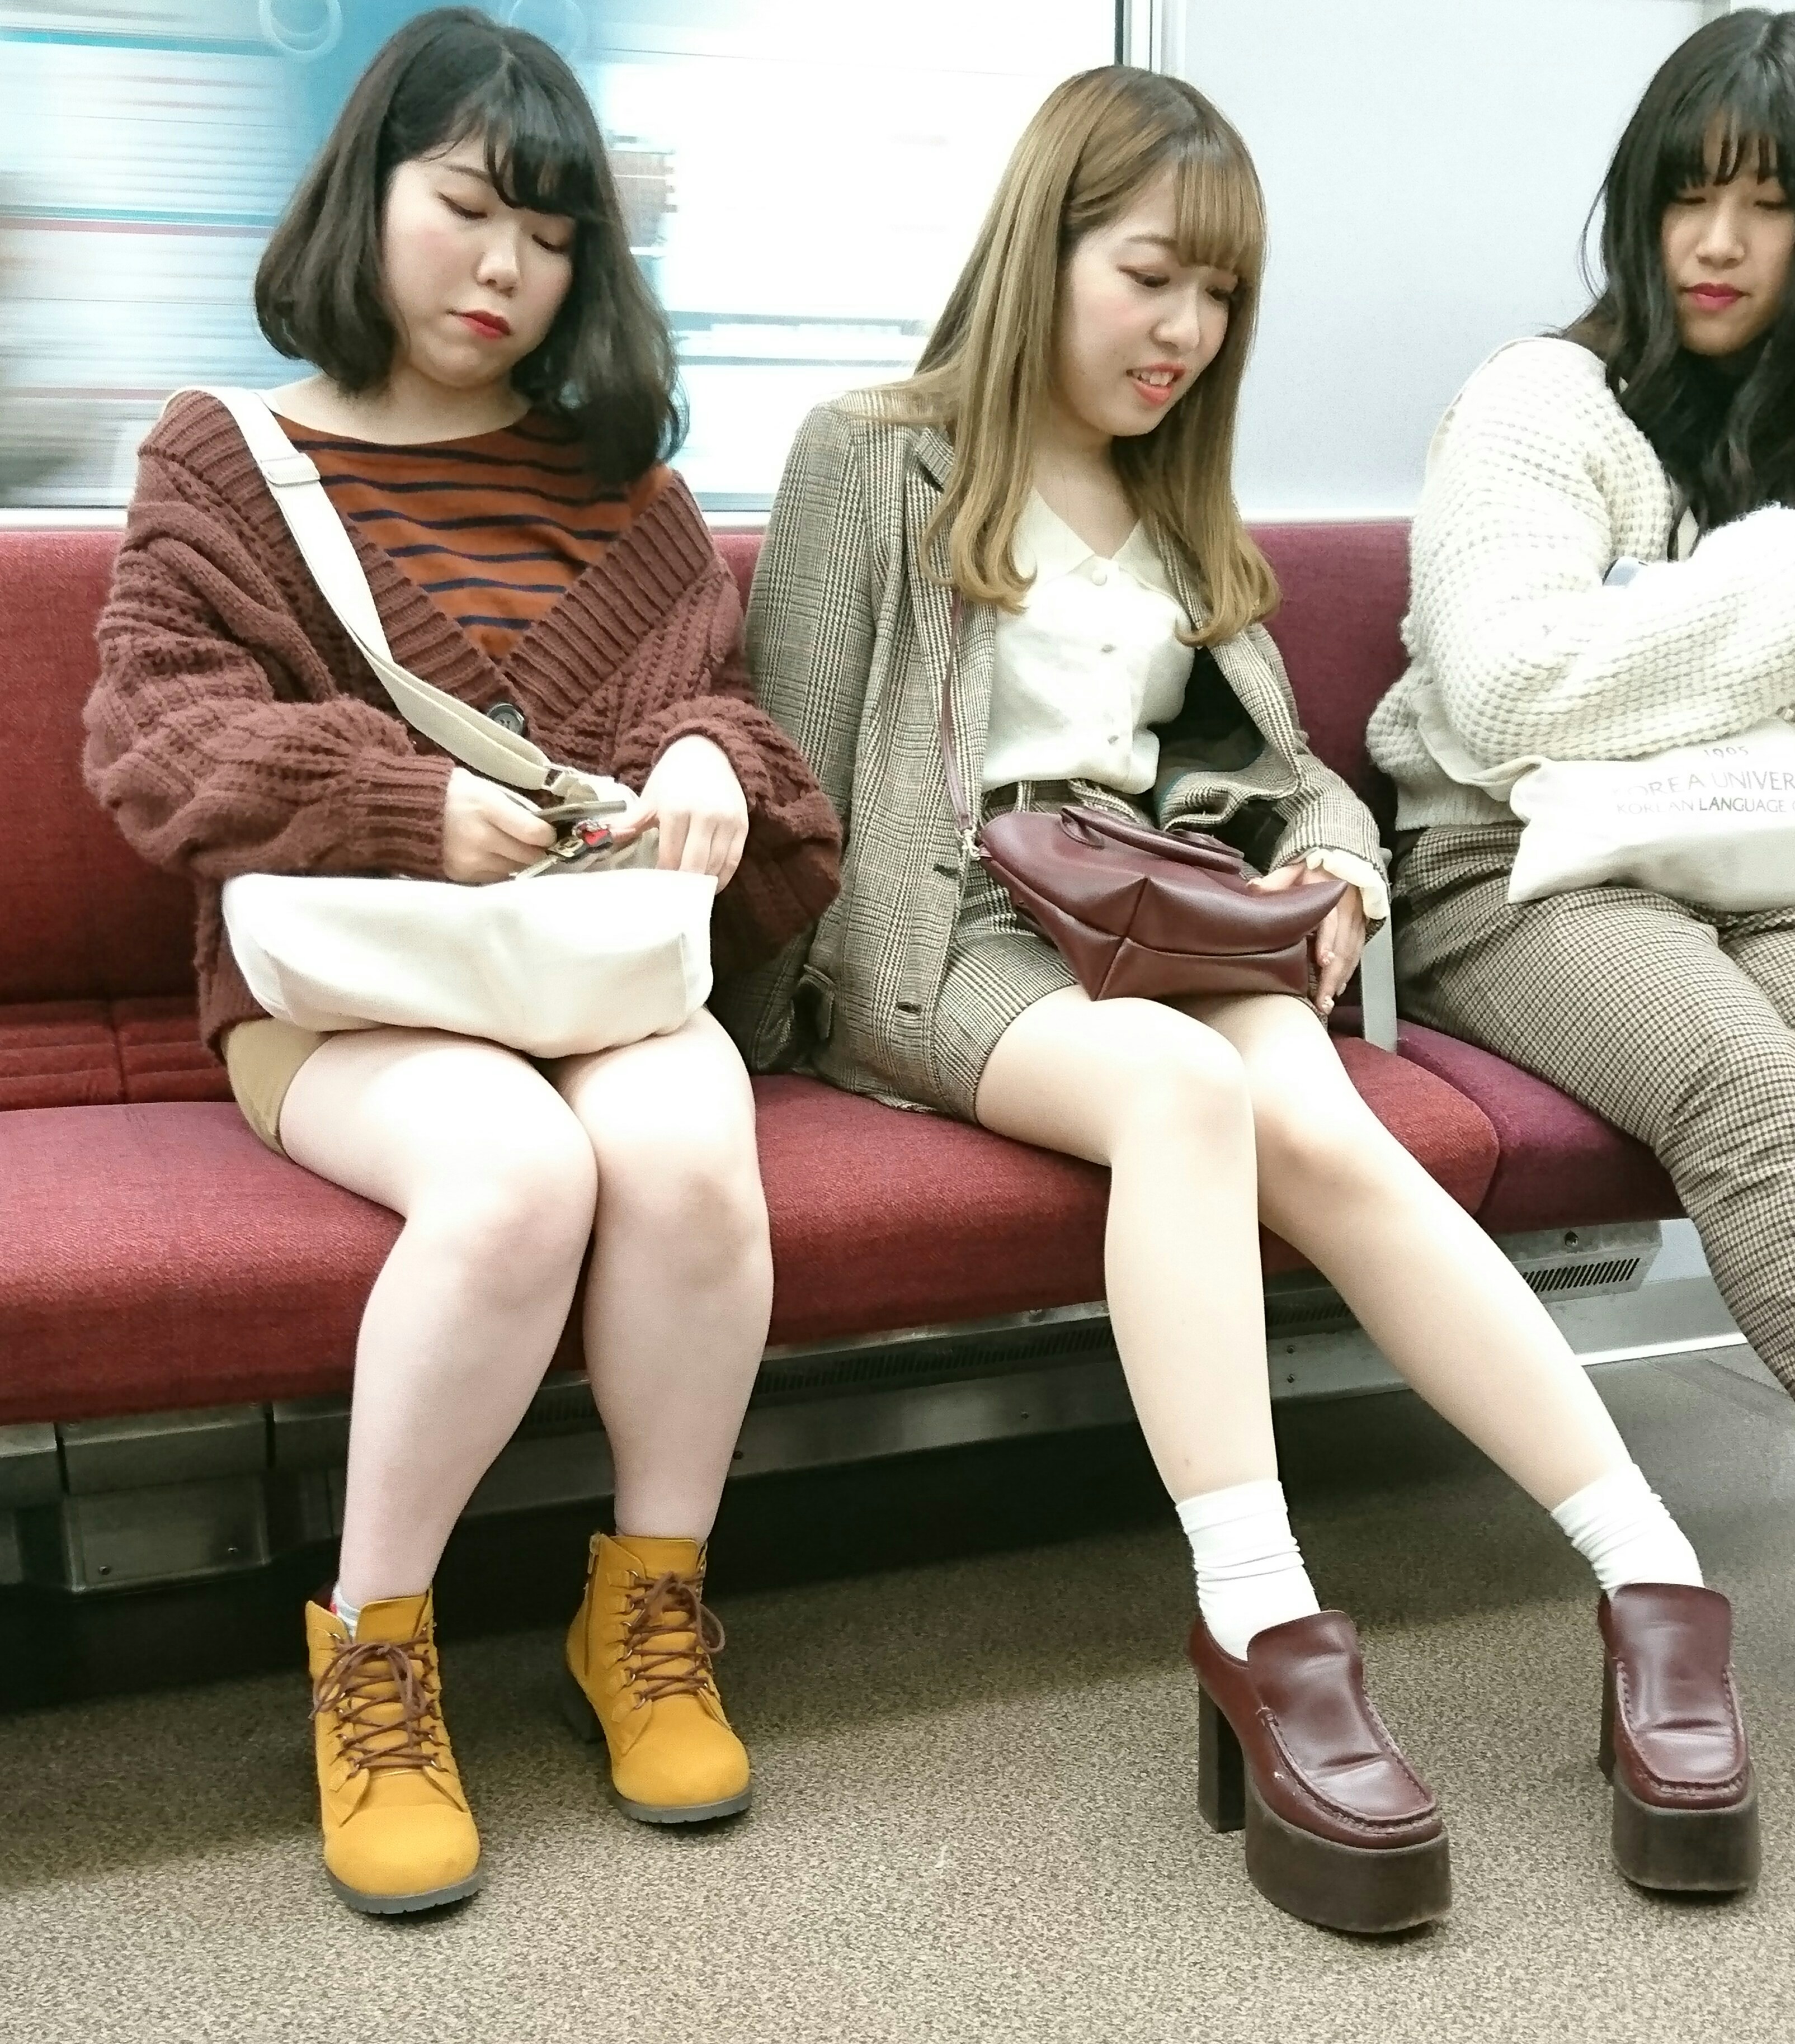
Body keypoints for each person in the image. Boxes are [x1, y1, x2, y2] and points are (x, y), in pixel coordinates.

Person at [726, 65, 1757, 1932]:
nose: (1185, 334)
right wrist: (761, 1040)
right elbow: (796, 785)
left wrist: (1339, 874)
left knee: (1331, 1131)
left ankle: (1653, 1576)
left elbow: (1289, 772)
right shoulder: (869, 456)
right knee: (1188, 1100)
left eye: (1219, 297)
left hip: (1162, 913)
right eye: (1150, 278)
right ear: (1043, 250)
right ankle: (1264, 1619)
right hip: (948, 933)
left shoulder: (1171, 490)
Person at [83, 8, 839, 1916]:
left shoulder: (625, 487)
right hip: (346, 991)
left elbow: (718, 714)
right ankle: (375, 1650)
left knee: (687, 1154)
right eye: (467, 208)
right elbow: (156, 738)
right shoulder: (226, 457)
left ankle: (646, 1608)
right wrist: (405, 805)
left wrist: (706, 760)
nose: (506, 269)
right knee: (512, 1177)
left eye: (554, 234)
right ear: (370, 193)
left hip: (585, 968)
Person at [1371, 9, 1795, 1425]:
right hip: (1513, 865)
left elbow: (1591, 667)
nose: (1719, 243)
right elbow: (1510, 688)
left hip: (1758, 858)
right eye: (1689, 194)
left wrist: (1665, 633)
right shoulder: (1540, 402)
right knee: (1755, 1087)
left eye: (1771, 204)